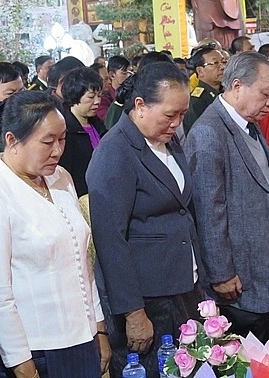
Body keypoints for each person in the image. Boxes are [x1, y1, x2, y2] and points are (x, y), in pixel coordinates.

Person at [0, 90, 111, 378]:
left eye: (62, 139)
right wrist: (21, 363)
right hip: (34, 350)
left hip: (79, 337)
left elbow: (82, 262)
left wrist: (98, 327)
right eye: (47, 142)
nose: (57, 150)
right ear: (11, 140)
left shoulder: (61, 178)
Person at [86, 62, 204, 378]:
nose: (178, 123)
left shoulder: (168, 140)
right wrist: (133, 312)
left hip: (182, 285)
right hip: (147, 297)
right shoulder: (115, 152)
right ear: (140, 105)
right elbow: (110, 240)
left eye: (182, 114)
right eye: (170, 115)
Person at [185, 51, 269, 343]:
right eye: (265, 94)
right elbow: (209, 210)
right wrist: (222, 273)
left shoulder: (246, 124)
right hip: (241, 282)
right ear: (237, 86)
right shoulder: (209, 133)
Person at [61, 67, 106, 197]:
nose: (97, 101)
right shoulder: (66, 132)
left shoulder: (99, 125)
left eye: (99, 96)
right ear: (75, 95)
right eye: (91, 97)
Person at [183, 46, 225, 134]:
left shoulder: (226, 92)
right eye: (215, 63)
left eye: (223, 62)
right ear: (200, 71)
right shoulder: (196, 101)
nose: (222, 67)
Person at [96, 55, 131, 121]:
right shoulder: (103, 98)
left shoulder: (131, 93)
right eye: (124, 73)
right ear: (112, 75)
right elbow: (109, 120)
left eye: (130, 72)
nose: (129, 76)